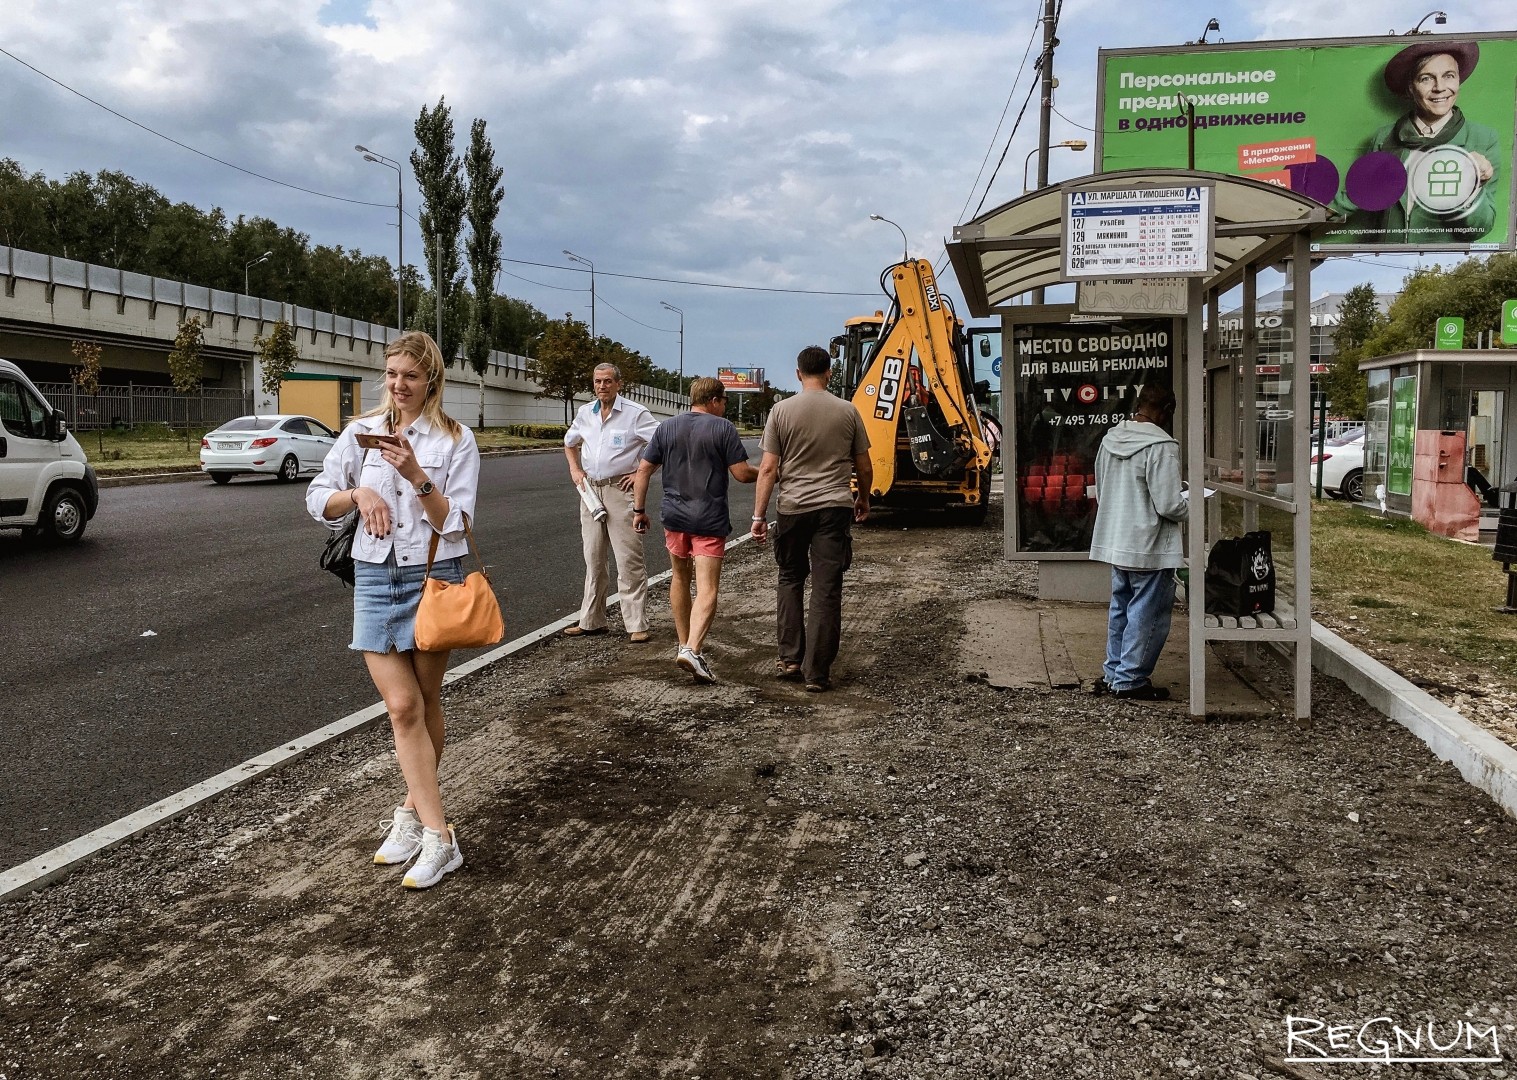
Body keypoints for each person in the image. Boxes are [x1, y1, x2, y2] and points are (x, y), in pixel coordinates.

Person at [306, 331, 479, 889]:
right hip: (376, 578)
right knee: (403, 707)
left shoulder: (456, 440)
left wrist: (413, 475)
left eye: (409, 375)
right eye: (391, 374)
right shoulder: (360, 434)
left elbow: (457, 523)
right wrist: (358, 495)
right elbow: (316, 496)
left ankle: (410, 817)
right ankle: (439, 835)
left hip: (433, 578)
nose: (398, 385)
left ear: (431, 379)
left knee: (425, 703)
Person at [750, 345, 871, 692]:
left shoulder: (781, 411)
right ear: (830, 373)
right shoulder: (848, 412)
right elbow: (863, 465)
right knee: (826, 587)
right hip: (834, 508)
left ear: (798, 373)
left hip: (792, 509)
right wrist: (862, 498)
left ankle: (790, 658)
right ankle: (817, 673)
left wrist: (759, 514)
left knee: (790, 577)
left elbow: (769, 468)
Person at [631, 377, 757, 684]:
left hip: (674, 517)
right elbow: (741, 473)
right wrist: (770, 472)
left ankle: (683, 642)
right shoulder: (722, 428)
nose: (725, 405)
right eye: (725, 400)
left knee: (679, 576)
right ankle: (692, 650)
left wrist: (639, 510)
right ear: (714, 400)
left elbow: (643, 470)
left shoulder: (666, 428)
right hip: (708, 518)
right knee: (707, 588)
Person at [1340, 41, 1500, 245]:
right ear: (1410, 87)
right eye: (1426, 78)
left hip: (1442, 268)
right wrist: (1301, 212)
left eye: (1449, 76)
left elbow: (1480, 227)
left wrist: (1471, 184)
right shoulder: (1384, 138)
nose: (1440, 88)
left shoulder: (1483, 138)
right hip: (1387, 262)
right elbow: (1360, 196)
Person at [1088, 383, 1187, 702]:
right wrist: (1191, 502)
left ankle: (1114, 672)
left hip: (1118, 542)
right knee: (1148, 613)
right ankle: (1131, 680)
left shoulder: (1110, 439)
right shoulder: (1162, 446)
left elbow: (1102, 492)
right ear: (1168, 409)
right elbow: (1169, 505)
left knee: (1121, 608)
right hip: (1151, 548)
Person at [563, 363, 660, 642]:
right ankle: (592, 621)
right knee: (593, 558)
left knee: (628, 558)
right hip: (590, 491)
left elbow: (661, 443)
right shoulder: (585, 413)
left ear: (618, 384)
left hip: (620, 490)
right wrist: (575, 470)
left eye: (607, 381)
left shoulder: (634, 414)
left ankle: (636, 624)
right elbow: (569, 442)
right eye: (597, 382)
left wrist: (640, 471)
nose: (602, 386)